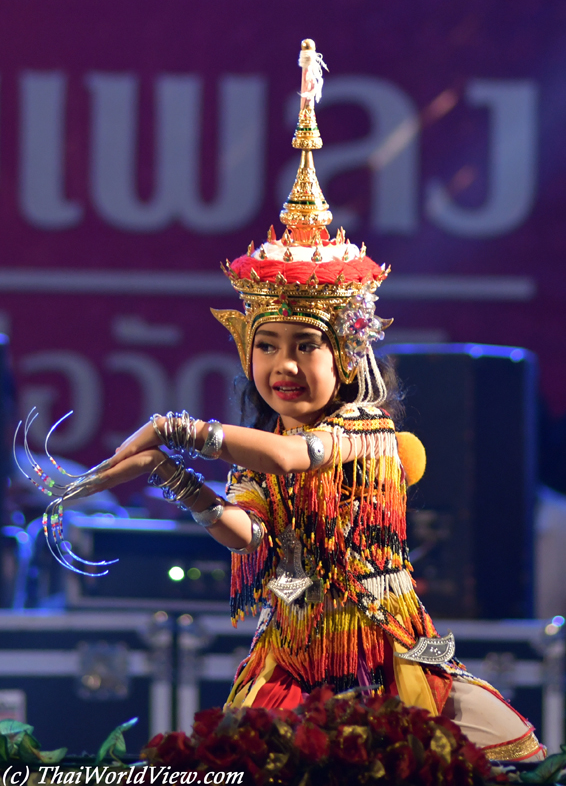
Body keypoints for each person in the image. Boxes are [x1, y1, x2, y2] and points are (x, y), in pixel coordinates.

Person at [40, 40, 544, 762]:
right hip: (293, 651)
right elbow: (253, 540)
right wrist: (176, 481)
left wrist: (178, 429)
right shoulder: (260, 444)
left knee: (516, 759)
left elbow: (293, 455)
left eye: (303, 345)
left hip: (394, 646)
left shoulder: (364, 431)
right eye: (267, 344)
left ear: (346, 353)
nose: (282, 365)